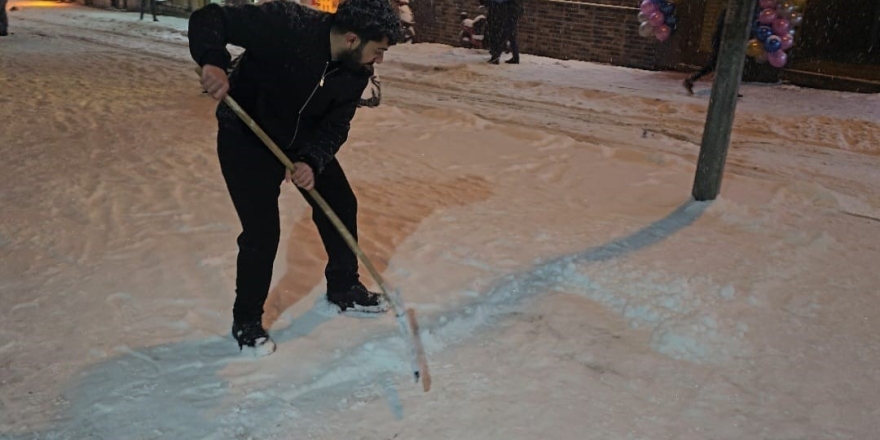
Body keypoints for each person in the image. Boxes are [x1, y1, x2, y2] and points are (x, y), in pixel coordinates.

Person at [188, 0, 402, 355]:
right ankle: (247, 321)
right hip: (247, 135)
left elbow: (337, 124)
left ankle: (344, 287)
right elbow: (210, 17)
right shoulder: (288, 24)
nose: (378, 60)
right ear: (352, 39)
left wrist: (311, 160)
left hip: (301, 140)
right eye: (378, 51)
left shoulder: (355, 72)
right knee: (262, 232)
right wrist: (212, 60)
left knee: (340, 202)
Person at [683, 7, 726, 94]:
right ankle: (690, 80)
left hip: (721, 39)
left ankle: (691, 80)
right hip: (722, 40)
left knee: (715, 65)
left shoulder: (727, 12)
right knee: (714, 65)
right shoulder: (730, 13)